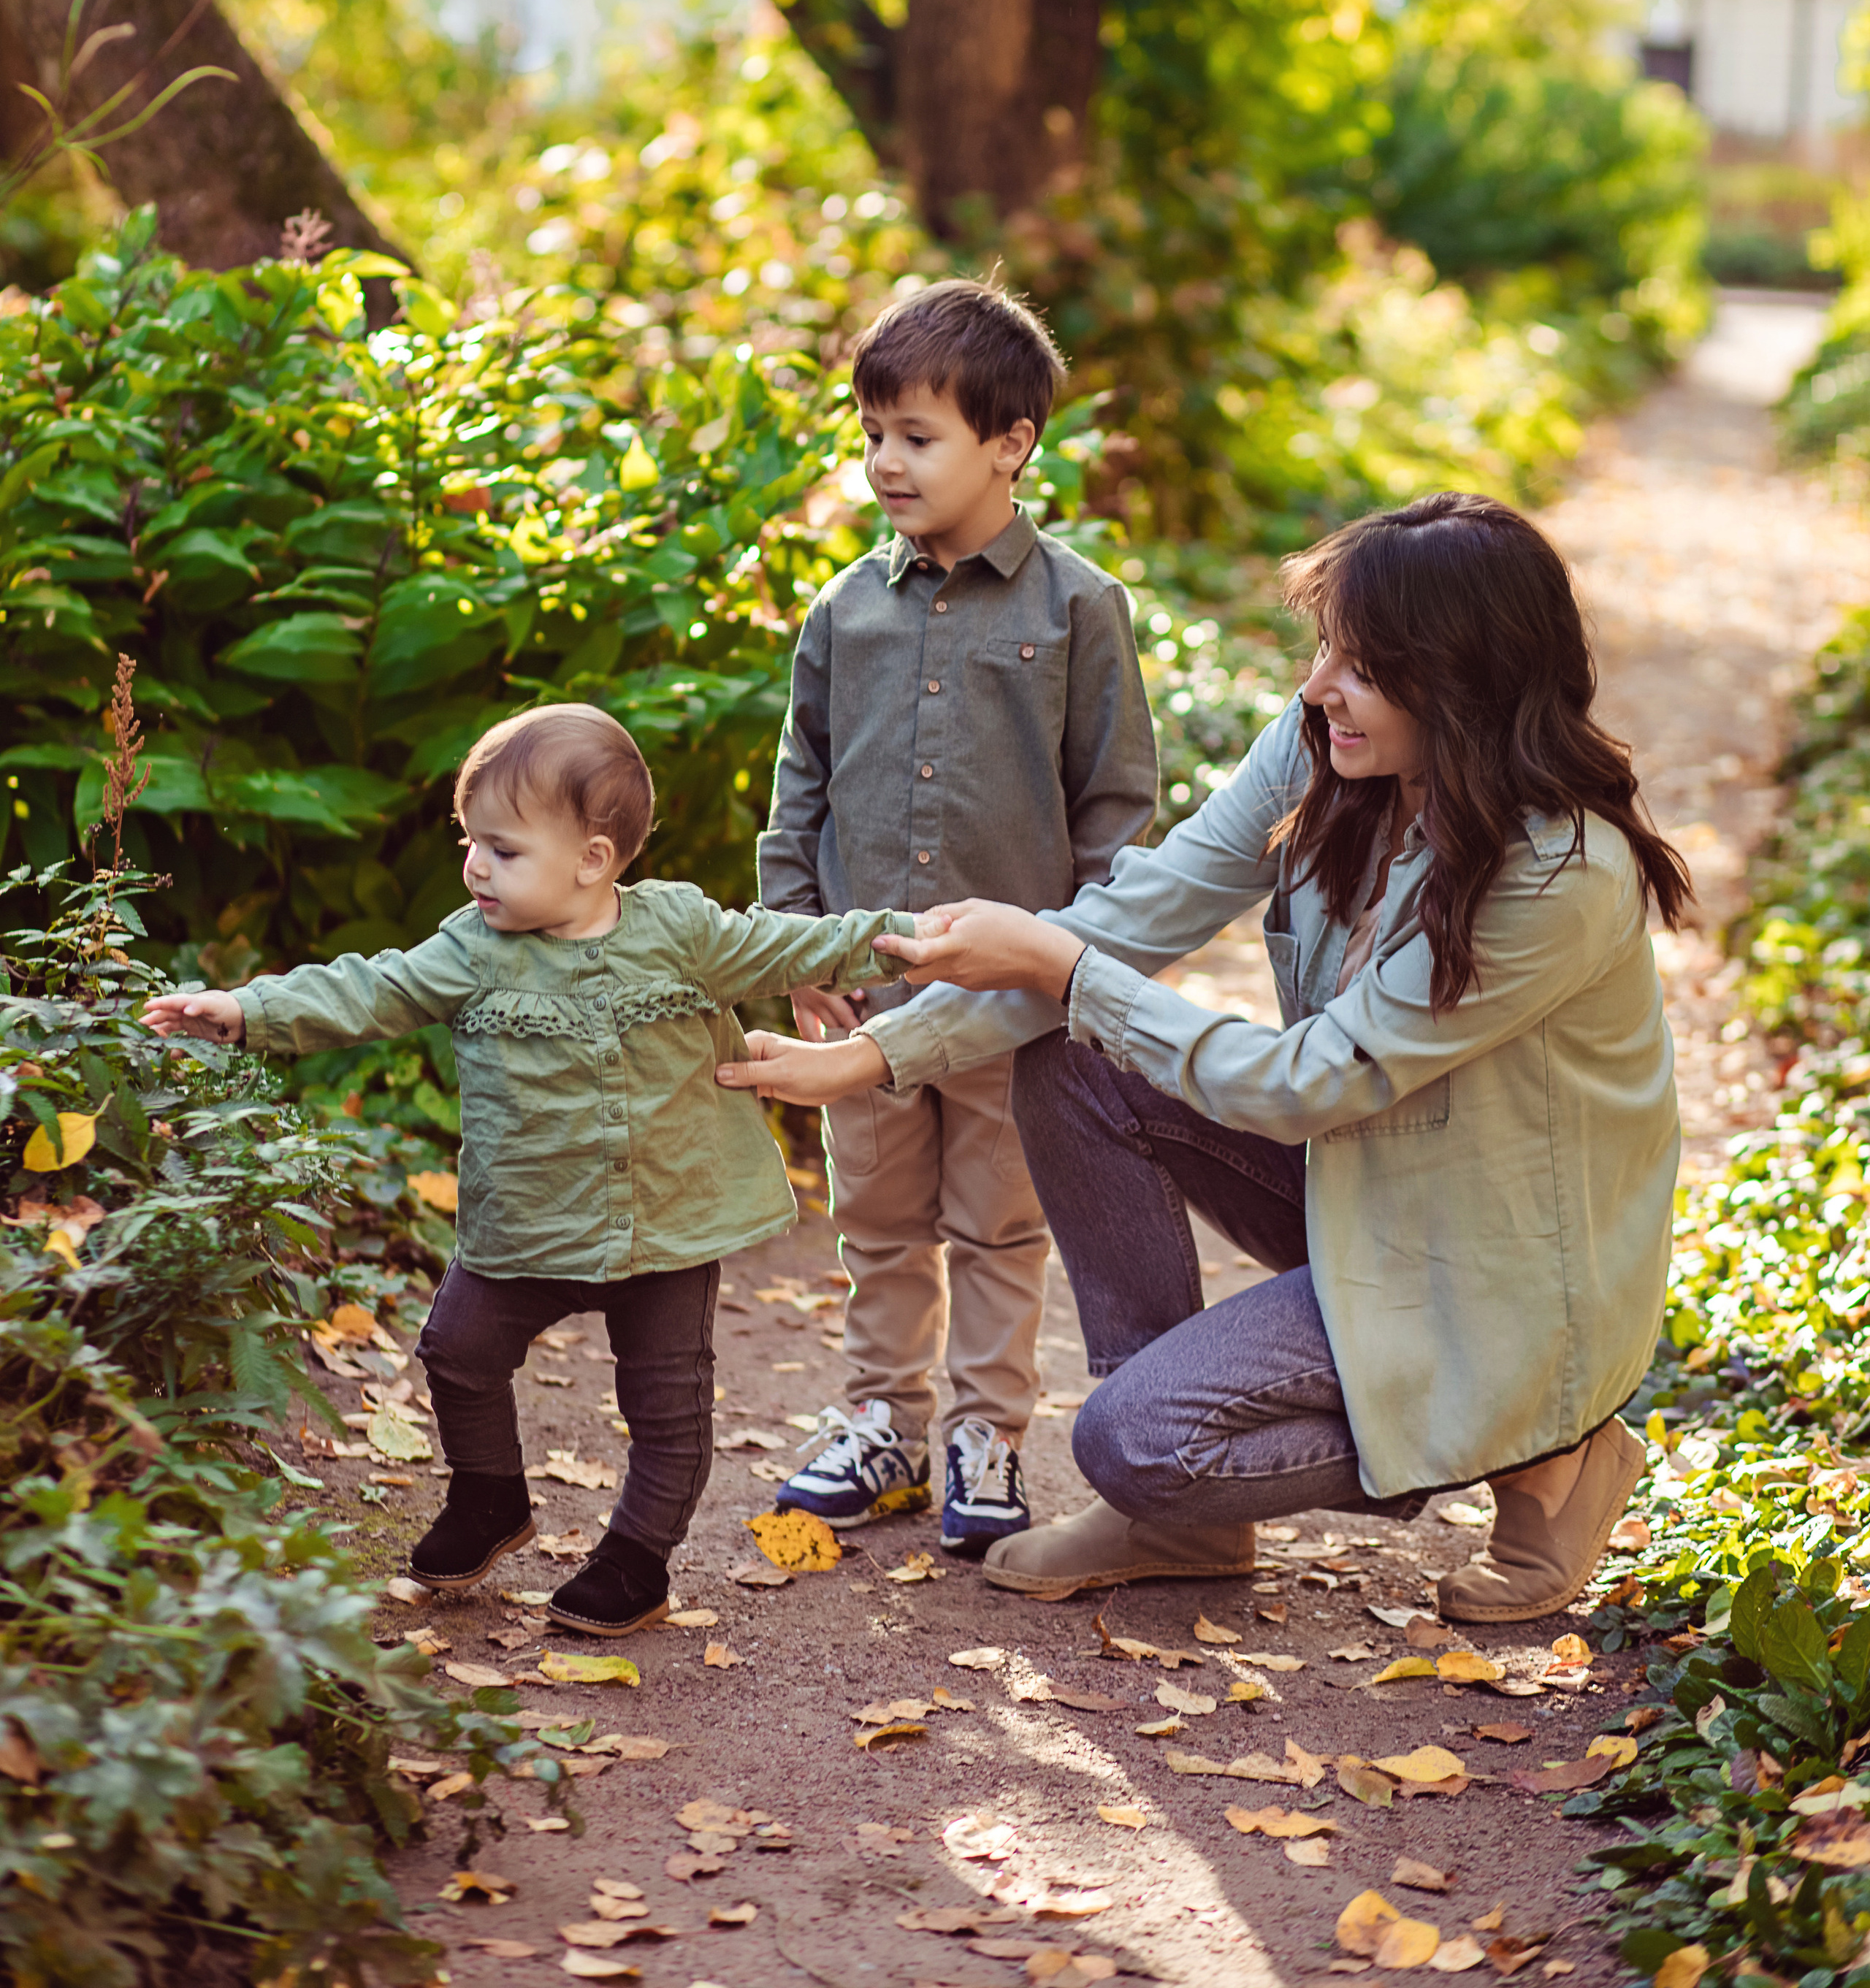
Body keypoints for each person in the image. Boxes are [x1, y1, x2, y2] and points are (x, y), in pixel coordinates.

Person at [720, 492, 1687, 1625]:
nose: (1320, 684)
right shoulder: (1329, 750)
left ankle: (1538, 1438)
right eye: (1325, 647)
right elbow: (1140, 911)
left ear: (1467, 683)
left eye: (1362, 665)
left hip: (1496, 1272)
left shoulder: (1559, 875)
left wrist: (1065, 973)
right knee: (1073, 1058)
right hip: (1369, 1181)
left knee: (1131, 1439)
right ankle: (1183, 1523)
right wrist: (877, 1055)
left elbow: (1308, 1082)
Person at [142, 703, 914, 1637]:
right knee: (459, 1351)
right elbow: (369, 987)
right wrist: (246, 1008)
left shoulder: (679, 931)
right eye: (471, 843)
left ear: (592, 859)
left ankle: (636, 1558)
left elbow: (792, 942)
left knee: (665, 1403)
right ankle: (490, 1499)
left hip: (666, 1222)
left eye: (502, 851)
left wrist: (916, 937)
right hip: (528, 1220)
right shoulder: (470, 948)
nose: (475, 867)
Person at [757, 278, 1156, 1556]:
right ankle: (879, 1420)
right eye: (872, 433)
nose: (883, 462)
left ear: (1009, 445)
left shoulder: (1077, 608)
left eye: (915, 437)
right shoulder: (844, 611)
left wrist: (1079, 969)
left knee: (997, 1222)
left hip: (1006, 1002)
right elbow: (799, 785)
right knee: (873, 1220)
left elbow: (1117, 803)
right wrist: (796, 945)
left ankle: (986, 1435)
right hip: (862, 987)